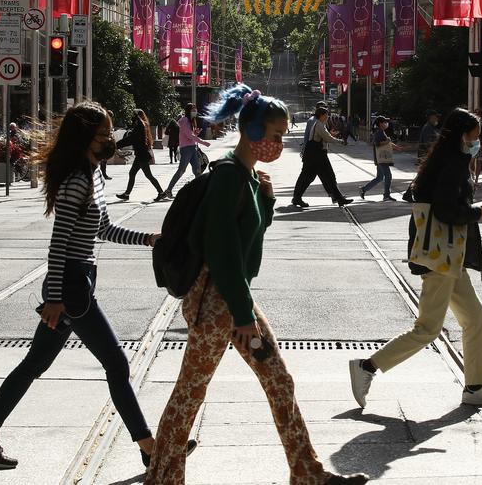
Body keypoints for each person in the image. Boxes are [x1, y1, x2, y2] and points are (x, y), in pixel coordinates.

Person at [145, 84, 369, 485]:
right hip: (218, 302)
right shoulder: (229, 178)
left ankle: (307, 473)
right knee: (190, 393)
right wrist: (243, 315)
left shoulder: (245, 177)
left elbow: (249, 235)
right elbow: (222, 250)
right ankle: (162, 478)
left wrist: (265, 200)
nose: (280, 143)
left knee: (278, 381)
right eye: (276, 135)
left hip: (233, 298)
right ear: (251, 133)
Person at [0, 102, 196, 470]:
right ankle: (151, 448)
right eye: (103, 135)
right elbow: (58, 245)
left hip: (76, 282)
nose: (109, 140)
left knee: (34, 364)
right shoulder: (77, 181)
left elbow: (103, 229)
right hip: (72, 287)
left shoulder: (93, 174)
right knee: (117, 364)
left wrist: (150, 239)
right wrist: (54, 298)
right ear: (85, 137)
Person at [349, 108, 482, 409]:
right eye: (474, 138)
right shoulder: (452, 165)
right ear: (460, 136)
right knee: (427, 329)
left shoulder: (445, 161)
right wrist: (480, 212)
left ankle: (475, 386)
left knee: (475, 320)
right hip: (441, 257)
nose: (477, 143)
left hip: (450, 257)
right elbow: (447, 211)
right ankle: (366, 367)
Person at [292, 106, 353, 207]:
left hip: (314, 155)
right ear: (321, 115)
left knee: (308, 177)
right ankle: (339, 198)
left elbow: (325, 136)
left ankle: (297, 198)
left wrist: (331, 135)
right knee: (329, 176)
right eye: (326, 114)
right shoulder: (319, 125)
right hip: (317, 155)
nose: (328, 116)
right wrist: (340, 141)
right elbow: (327, 138)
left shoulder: (320, 124)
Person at [157, 103, 211, 200]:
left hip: (192, 148)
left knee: (197, 171)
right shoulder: (185, 121)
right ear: (188, 111)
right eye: (193, 109)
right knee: (181, 170)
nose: (195, 111)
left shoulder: (190, 121)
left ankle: (199, 192)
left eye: (195, 109)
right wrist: (203, 142)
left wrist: (195, 133)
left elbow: (190, 135)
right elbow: (189, 136)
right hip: (186, 149)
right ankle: (168, 190)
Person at [115, 109, 164, 202]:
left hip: (142, 155)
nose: (132, 118)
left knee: (148, 175)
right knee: (132, 173)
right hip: (140, 154)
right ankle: (127, 194)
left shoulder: (140, 126)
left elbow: (130, 139)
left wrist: (116, 145)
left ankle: (161, 192)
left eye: (133, 115)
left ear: (137, 116)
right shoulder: (141, 125)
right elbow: (131, 139)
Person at [359, 116, 402, 202]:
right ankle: (386, 195)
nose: (386, 124)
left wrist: (396, 147)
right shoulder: (379, 132)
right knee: (388, 176)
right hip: (382, 158)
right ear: (380, 123)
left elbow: (387, 142)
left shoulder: (381, 132)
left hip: (380, 158)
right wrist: (388, 142)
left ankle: (363, 189)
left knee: (379, 178)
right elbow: (377, 143)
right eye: (385, 122)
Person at [471, 108, 482, 186]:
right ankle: (472, 177)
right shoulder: (471, 122)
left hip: (480, 144)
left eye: (478, 113)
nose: (476, 114)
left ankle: (477, 179)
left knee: (479, 162)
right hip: (472, 145)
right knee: (471, 162)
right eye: (475, 112)